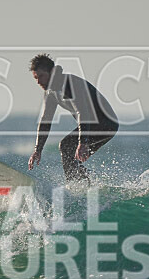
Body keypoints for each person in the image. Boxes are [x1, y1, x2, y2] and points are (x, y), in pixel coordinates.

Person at [27, 53, 118, 182]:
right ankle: (89, 182)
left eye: (41, 76)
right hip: (93, 126)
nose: (38, 81)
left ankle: (74, 185)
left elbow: (83, 112)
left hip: (106, 123)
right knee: (72, 158)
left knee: (66, 145)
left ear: (52, 72)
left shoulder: (69, 84)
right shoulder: (50, 92)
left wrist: (83, 142)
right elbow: (46, 120)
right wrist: (38, 150)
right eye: (36, 78)